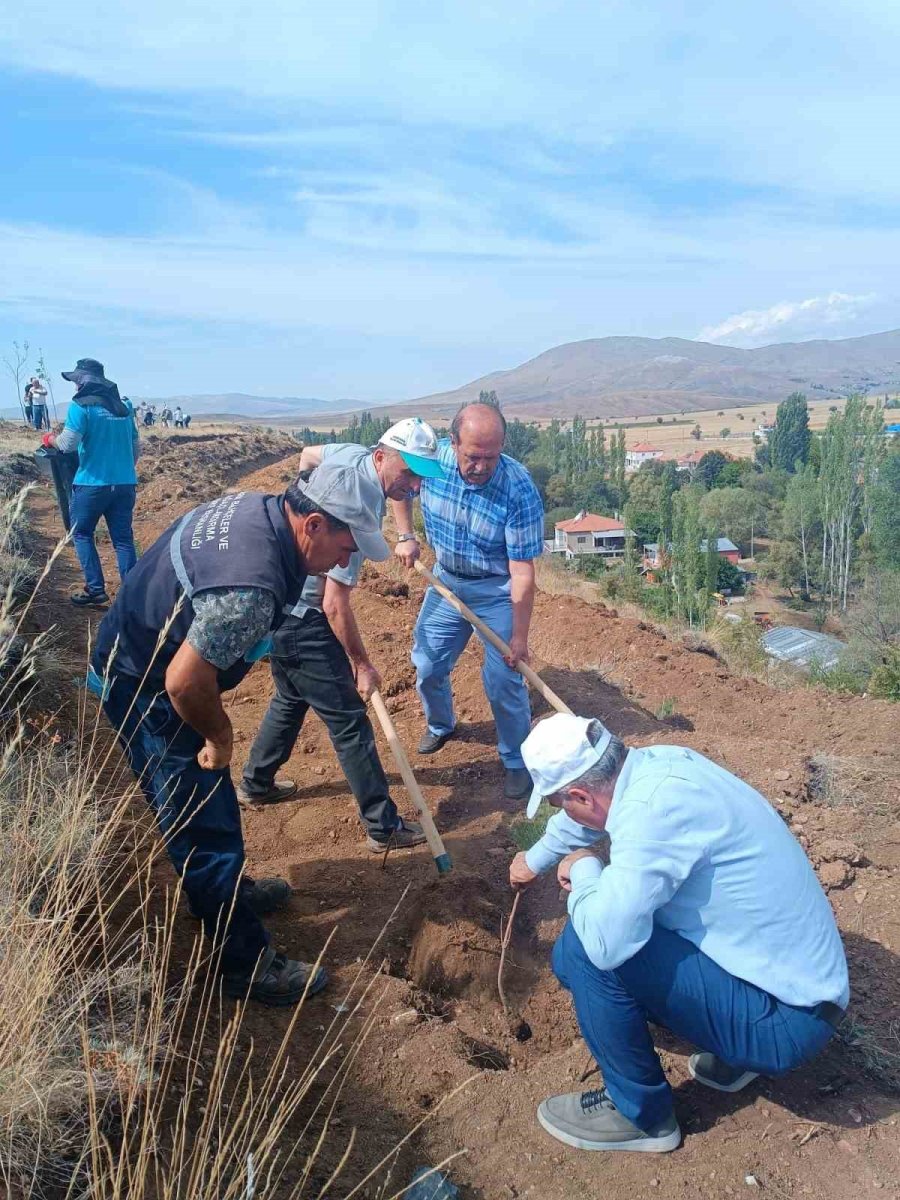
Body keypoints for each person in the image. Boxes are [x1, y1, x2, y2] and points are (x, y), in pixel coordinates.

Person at [90, 462, 389, 1006]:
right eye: (349, 544)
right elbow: (184, 683)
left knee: (214, 803)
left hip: (139, 652)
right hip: (147, 689)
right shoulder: (251, 587)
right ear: (315, 524)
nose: (349, 559)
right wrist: (221, 734)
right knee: (202, 823)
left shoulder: (259, 509)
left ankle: (233, 894)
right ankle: (245, 965)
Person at [509, 713, 849, 1154]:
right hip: (801, 993)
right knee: (595, 943)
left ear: (579, 794)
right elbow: (586, 818)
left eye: (559, 802)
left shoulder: (650, 816)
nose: (562, 811)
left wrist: (586, 868)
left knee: (585, 952)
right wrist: (534, 860)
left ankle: (640, 1116)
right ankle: (735, 1046)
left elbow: (607, 944)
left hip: (787, 1023)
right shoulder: (657, 767)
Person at [240, 418, 444, 853]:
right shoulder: (358, 511)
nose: (414, 488)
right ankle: (382, 826)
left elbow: (310, 456)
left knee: (291, 697)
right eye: (408, 475)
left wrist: (302, 486)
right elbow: (334, 604)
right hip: (305, 616)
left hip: (282, 605)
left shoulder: (351, 454)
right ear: (384, 454)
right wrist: (362, 664)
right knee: (350, 721)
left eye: (420, 479)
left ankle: (256, 782)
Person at [391, 402, 544, 799]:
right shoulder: (432, 460)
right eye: (473, 457)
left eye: (490, 458)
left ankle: (515, 759)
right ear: (453, 443)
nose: (481, 467)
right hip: (445, 581)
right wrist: (406, 534)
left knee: (503, 678)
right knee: (427, 663)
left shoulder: (517, 487)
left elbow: (522, 572)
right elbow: (396, 484)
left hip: (496, 591)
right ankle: (441, 725)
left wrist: (520, 639)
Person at [44, 358, 140, 607]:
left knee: (82, 534)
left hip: (91, 485)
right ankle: (132, 595)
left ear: (84, 381)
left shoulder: (80, 407)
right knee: (123, 539)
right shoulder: (125, 407)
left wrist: (50, 438)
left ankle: (95, 589)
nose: (75, 386)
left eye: (76, 381)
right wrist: (125, 470)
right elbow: (134, 447)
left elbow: (67, 445)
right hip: (125, 484)